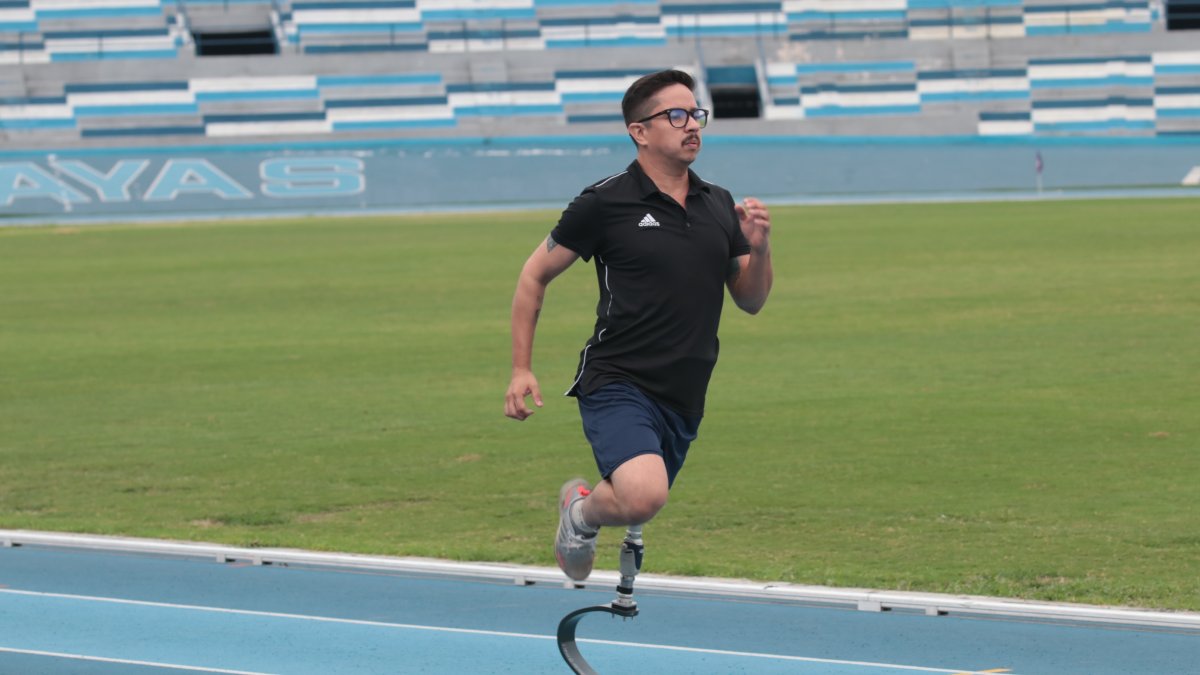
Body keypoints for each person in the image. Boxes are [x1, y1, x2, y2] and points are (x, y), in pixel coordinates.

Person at [503, 69, 773, 581]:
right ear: (639, 130)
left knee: (638, 502)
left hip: (685, 391)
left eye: (696, 113)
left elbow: (751, 299)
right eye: (676, 115)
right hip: (618, 379)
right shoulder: (605, 202)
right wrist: (521, 368)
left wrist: (760, 248)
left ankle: (583, 507)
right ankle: (580, 518)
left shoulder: (718, 202)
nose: (691, 124)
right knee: (645, 494)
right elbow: (534, 275)